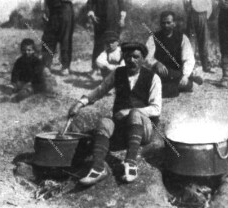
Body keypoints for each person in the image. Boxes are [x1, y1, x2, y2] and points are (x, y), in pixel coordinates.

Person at [68, 42, 162, 185]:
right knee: (104, 122)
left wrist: (129, 111)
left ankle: (131, 163)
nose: (132, 60)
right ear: (124, 57)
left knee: (135, 114)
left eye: (136, 57)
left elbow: (156, 109)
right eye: (128, 56)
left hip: (144, 129)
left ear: (143, 59)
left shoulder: (153, 78)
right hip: (122, 131)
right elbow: (99, 90)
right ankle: (98, 168)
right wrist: (80, 103)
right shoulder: (118, 73)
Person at [145, 11, 203, 98]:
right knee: (155, 84)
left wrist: (185, 76)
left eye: (168, 23)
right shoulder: (153, 38)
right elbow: (147, 56)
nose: (166, 26)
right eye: (163, 23)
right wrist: (155, 63)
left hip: (177, 71)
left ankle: (187, 80)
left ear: (174, 23)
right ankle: (190, 80)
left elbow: (188, 58)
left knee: (174, 88)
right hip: (161, 72)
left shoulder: (182, 37)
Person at [87, 0, 126, 76]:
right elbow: (90, 2)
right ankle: (95, 68)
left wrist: (122, 18)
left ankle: (114, 69)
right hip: (100, 18)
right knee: (98, 43)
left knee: (113, 42)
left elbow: (121, 3)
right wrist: (91, 14)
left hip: (114, 17)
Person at [41, 0, 74, 76]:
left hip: (66, 6)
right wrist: (43, 10)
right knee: (48, 38)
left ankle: (65, 66)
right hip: (52, 7)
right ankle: (46, 65)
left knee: (66, 38)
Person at [183, 0, 213, 72]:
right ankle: (190, 66)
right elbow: (185, 2)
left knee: (204, 40)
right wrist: (188, 10)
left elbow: (209, 3)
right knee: (191, 41)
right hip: (192, 13)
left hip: (203, 13)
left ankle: (206, 65)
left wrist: (206, 15)